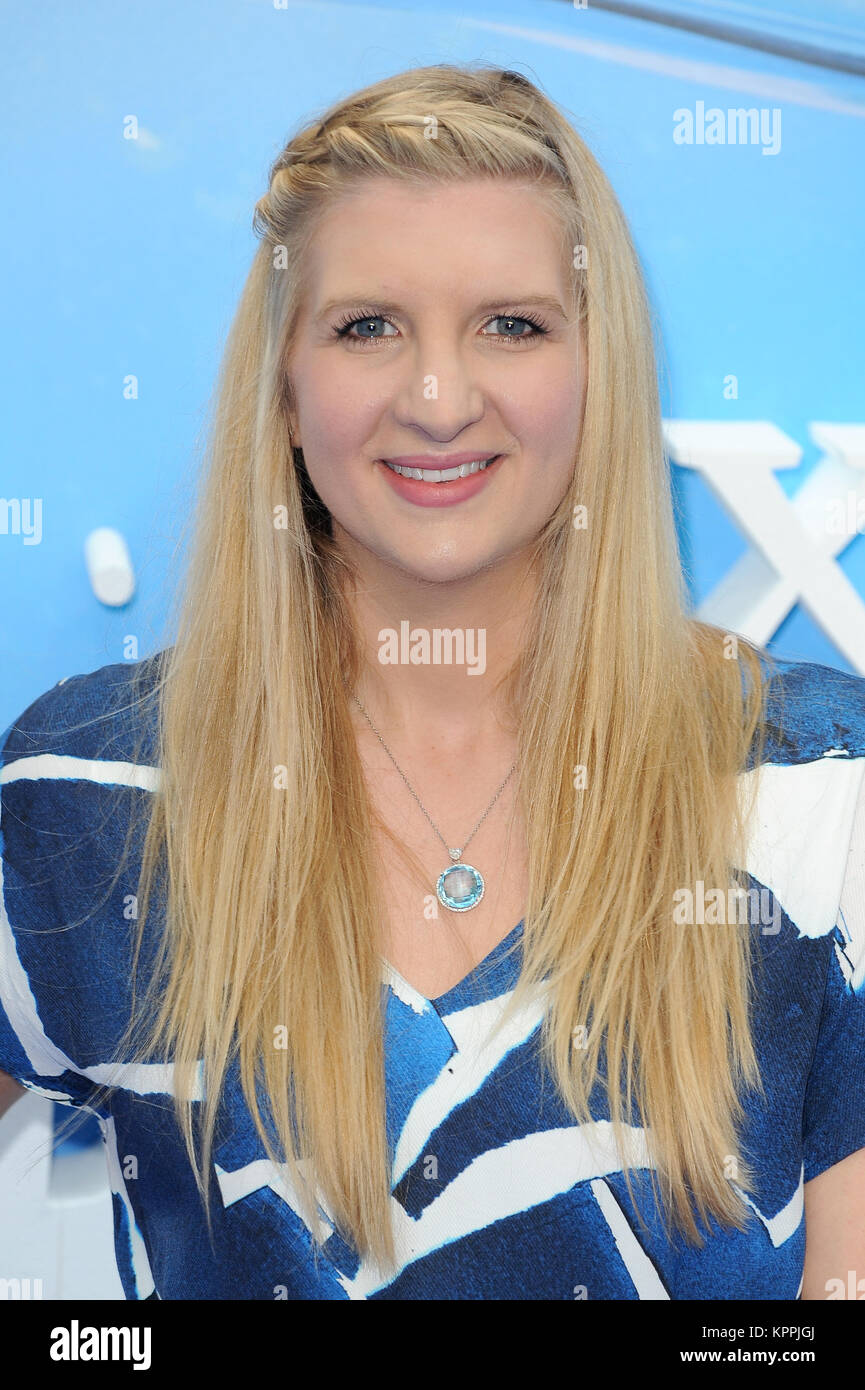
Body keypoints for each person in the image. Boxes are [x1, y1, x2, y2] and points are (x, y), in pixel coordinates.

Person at [1, 62, 864, 1301]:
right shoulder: (90, 790)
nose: (438, 398)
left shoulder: (821, 784)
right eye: (367, 327)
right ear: (286, 391)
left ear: (596, 372)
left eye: (511, 324)